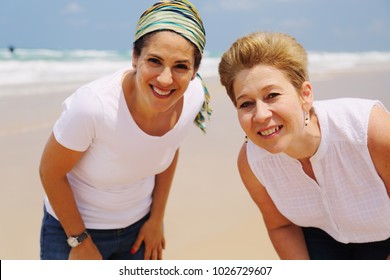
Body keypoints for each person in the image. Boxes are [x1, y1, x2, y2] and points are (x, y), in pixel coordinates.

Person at [39, 0, 211, 260]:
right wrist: (79, 240)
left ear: (195, 70)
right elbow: (50, 171)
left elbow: (168, 150)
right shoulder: (93, 106)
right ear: (135, 57)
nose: (165, 79)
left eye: (181, 66)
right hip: (72, 229)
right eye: (154, 61)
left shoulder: (192, 96)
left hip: (139, 229)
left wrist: (156, 219)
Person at [218, 31, 390, 260]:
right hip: (321, 238)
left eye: (272, 95)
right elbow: (281, 226)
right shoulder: (252, 162)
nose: (260, 115)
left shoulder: (370, 130)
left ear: (305, 95)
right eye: (246, 103)